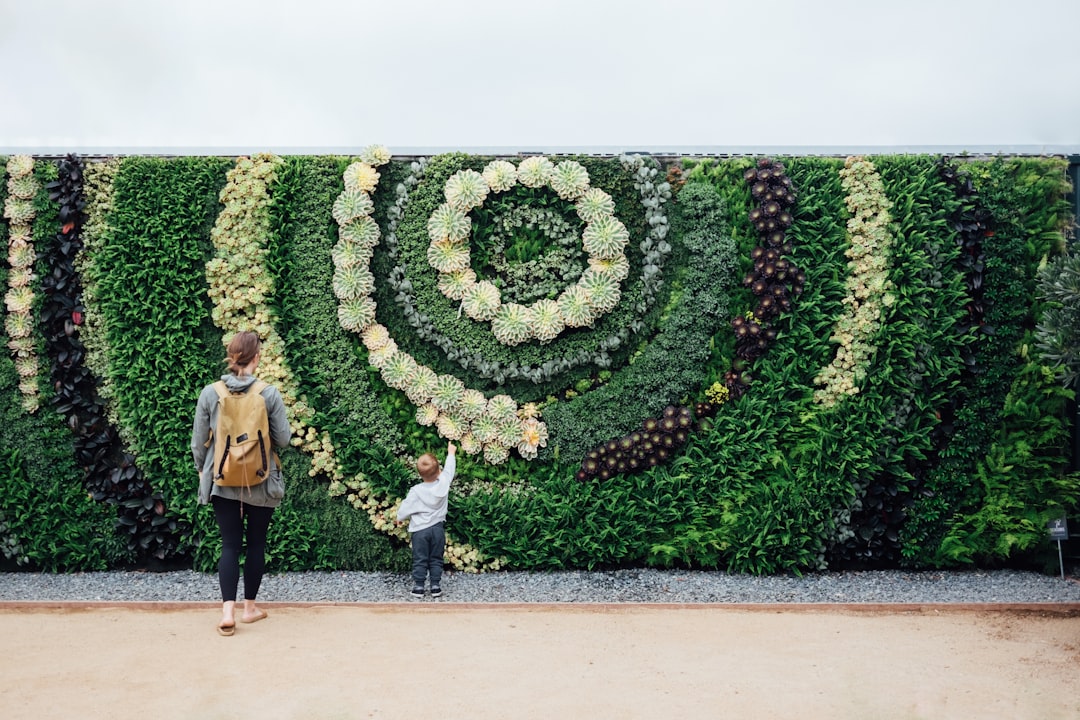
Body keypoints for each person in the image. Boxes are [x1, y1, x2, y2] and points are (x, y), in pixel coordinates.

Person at [191, 331, 291, 636]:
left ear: (231, 356)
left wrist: (202, 471)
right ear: (257, 358)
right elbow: (284, 440)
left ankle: (227, 612)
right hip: (260, 480)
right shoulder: (268, 393)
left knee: (230, 545)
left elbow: (198, 442)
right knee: (256, 543)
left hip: (222, 478)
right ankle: (249, 608)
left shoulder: (211, 392)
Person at [396, 441, 457, 599]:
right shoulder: (443, 483)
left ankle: (419, 587)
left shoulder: (416, 491)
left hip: (420, 530)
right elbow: (450, 470)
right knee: (436, 558)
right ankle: (435, 586)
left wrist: (399, 518)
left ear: (419, 473)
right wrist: (451, 453)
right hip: (437, 529)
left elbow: (406, 507)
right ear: (439, 471)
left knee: (420, 558)